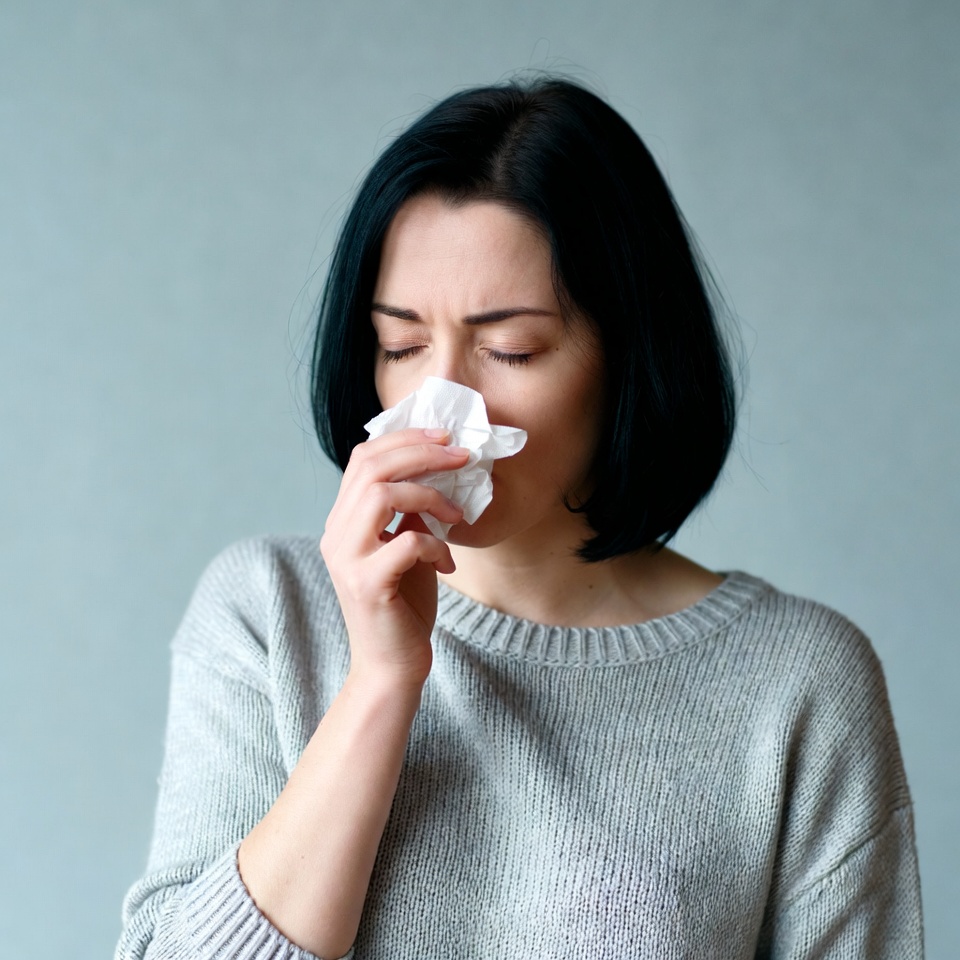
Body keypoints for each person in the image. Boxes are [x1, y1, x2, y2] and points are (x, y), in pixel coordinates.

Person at [116, 77, 923, 959]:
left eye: (511, 350)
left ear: (629, 358)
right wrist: (381, 681)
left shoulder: (798, 682)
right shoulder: (268, 614)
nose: (441, 406)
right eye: (401, 345)